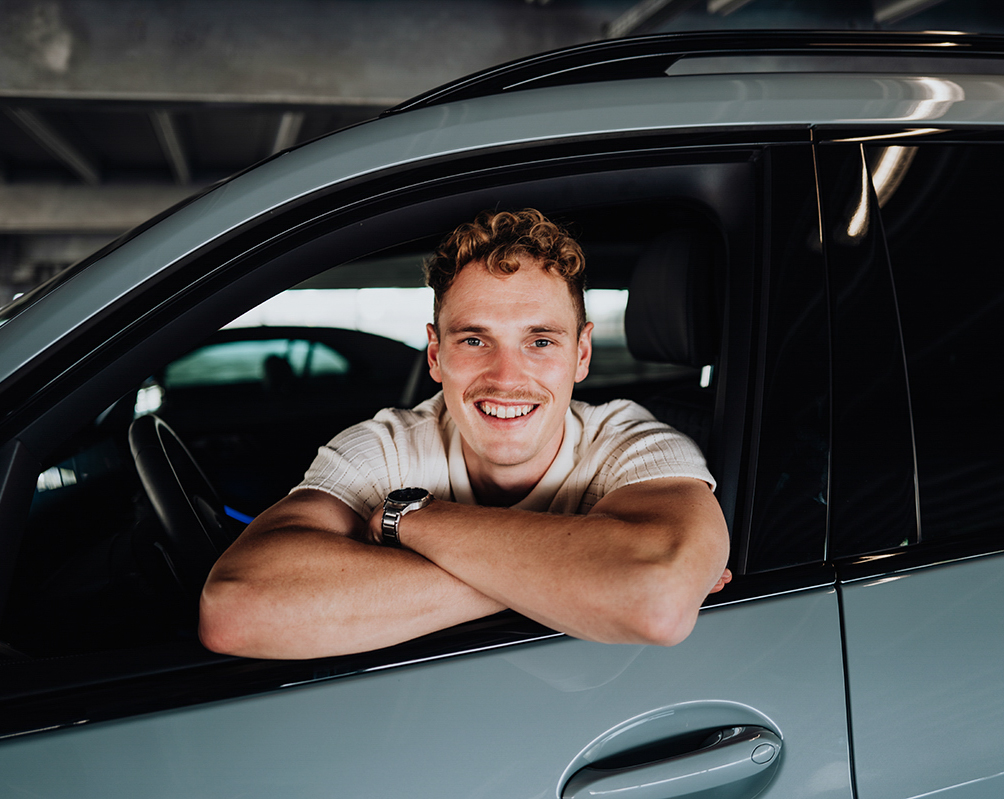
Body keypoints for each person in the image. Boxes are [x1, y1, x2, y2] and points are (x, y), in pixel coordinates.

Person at [199, 209, 731, 659]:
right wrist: (579, 577)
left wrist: (409, 521)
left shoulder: (635, 444)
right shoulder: (386, 445)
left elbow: (654, 601)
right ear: (435, 354)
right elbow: (236, 609)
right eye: (475, 340)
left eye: (540, 342)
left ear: (582, 353)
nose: (506, 377)